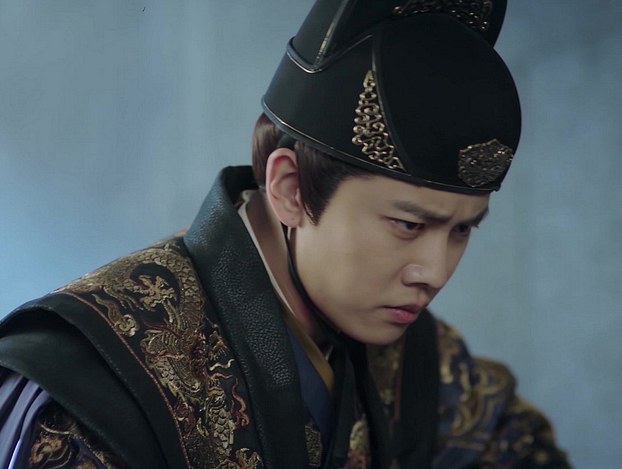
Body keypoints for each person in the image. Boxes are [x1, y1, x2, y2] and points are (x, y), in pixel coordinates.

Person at [0, 1, 572, 468]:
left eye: (462, 229)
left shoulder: (420, 361)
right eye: (408, 224)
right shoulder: (99, 379)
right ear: (291, 189)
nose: (435, 272)